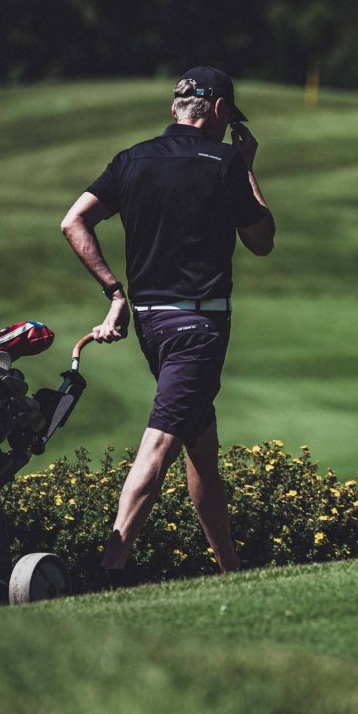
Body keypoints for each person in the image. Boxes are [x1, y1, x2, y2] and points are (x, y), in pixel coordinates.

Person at [60, 66, 275, 584]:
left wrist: (115, 294)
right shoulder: (224, 162)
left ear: (176, 108)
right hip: (198, 330)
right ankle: (110, 570)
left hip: (154, 327)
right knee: (159, 445)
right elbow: (262, 240)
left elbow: (74, 221)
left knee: (201, 448)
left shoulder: (132, 160)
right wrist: (246, 166)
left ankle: (231, 570)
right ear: (220, 111)